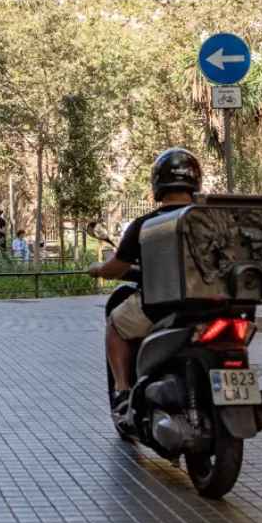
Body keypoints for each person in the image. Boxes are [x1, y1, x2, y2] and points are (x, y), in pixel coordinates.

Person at [87, 148, 202, 421]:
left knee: (115, 324)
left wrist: (99, 270)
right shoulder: (208, 218)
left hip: (162, 308)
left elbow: (117, 267)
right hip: (213, 305)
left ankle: (123, 390)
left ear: (158, 184)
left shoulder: (146, 224)